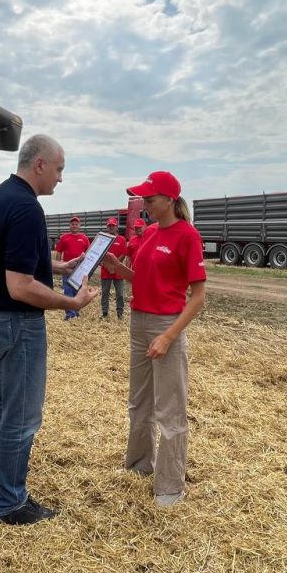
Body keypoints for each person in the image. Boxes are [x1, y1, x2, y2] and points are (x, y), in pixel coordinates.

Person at [0, 134, 98, 524]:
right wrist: (70, 301)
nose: (61, 178)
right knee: (22, 414)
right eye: (59, 169)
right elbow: (21, 285)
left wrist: (59, 268)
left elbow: (8, 260)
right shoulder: (27, 209)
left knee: (4, 401)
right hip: (17, 320)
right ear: (40, 164)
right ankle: (11, 502)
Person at [102, 171, 206, 506]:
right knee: (139, 402)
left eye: (150, 199)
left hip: (166, 324)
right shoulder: (147, 234)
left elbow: (198, 297)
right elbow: (143, 280)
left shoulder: (187, 236)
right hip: (139, 320)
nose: (144, 204)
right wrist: (119, 268)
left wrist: (168, 336)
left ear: (169, 200)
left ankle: (170, 486)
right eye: (144, 199)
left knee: (170, 410)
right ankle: (138, 466)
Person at [55, 216, 90, 319]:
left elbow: (89, 253)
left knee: (78, 291)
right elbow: (59, 252)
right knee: (67, 290)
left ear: (79, 226)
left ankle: (76, 311)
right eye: (72, 224)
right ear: (70, 225)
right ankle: (70, 314)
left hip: (80, 269)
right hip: (67, 268)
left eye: (76, 224)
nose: (74, 226)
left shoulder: (84, 238)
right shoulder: (64, 237)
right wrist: (59, 265)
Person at [99, 217, 127, 320]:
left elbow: (123, 254)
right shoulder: (103, 239)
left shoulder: (121, 239)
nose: (111, 227)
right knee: (105, 293)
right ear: (107, 227)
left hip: (118, 271)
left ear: (116, 227)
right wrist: (107, 266)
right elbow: (100, 255)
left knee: (119, 294)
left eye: (113, 225)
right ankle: (105, 313)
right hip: (105, 271)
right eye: (109, 226)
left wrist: (114, 266)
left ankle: (120, 314)